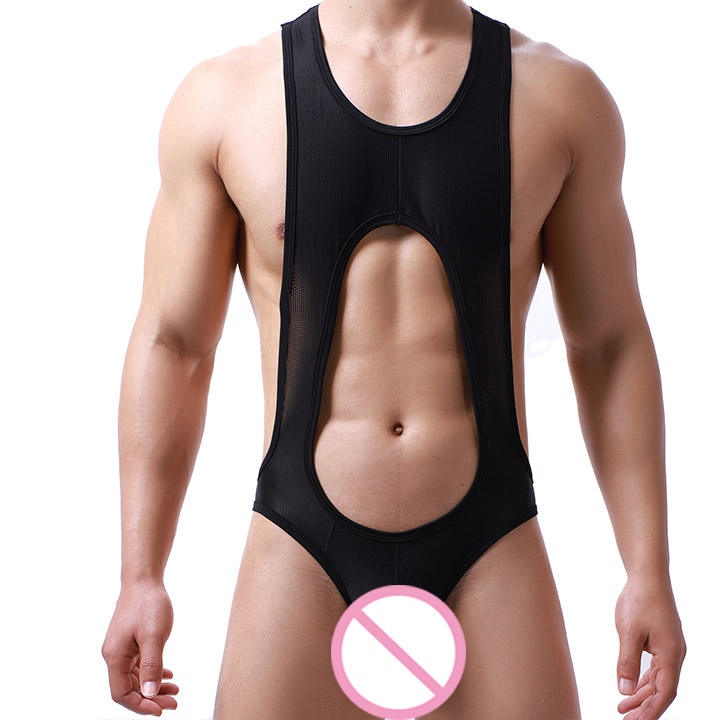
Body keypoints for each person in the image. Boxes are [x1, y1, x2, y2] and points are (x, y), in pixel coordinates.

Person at [101, 0, 686, 718]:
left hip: (491, 544)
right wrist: (140, 575)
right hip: (299, 544)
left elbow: (609, 346)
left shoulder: (558, 97)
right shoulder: (229, 98)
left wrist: (648, 570)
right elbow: (175, 344)